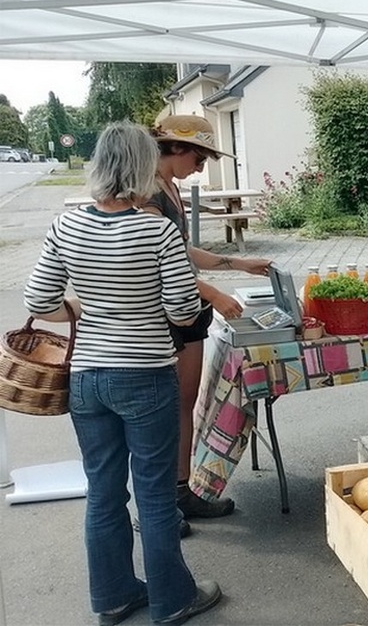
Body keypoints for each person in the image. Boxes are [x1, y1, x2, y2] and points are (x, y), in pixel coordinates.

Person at [24, 121, 222, 625]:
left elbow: (38, 301)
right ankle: (172, 598)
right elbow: (182, 310)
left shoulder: (67, 225)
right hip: (145, 374)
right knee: (154, 496)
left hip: (88, 378)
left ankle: (112, 597)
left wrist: (85, 309)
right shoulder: (155, 229)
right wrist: (141, 307)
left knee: (104, 491)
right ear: (140, 165)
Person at [146, 114, 272, 523]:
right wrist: (213, 293)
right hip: (168, 315)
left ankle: (180, 491)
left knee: (185, 402)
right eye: (200, 158)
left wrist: (236, 263)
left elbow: (184, 250)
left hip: (185, 312)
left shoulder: (170, 188)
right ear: (176, 148)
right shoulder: (148, 193)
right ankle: (162, 502)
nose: (201, 168)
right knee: (168, 408)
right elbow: (161, 262)